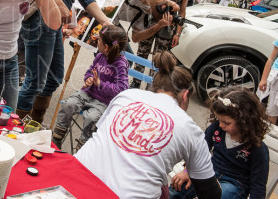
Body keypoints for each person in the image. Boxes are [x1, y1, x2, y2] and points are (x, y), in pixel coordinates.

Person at [75, 51, 222, 199]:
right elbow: (211, 193)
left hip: (75, 178)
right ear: (185, 95)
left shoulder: (127, 95)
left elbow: (105, 138)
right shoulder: (190, 128)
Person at [170, 87, 269, 199]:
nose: (221, 125)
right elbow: (200, 151)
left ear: (244, 121)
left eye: (226, 123)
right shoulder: (217, 128)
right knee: (176, 189)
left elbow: (258, 187)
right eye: (219, 120)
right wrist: (187, 170)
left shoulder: (257, 148)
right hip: (208, 173)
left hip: (234, 184)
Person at [52, 25, 129, 150]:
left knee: (91, 118)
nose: (96, 42)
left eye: (99, 40)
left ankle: (81, 150)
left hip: (103, 101)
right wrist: (88, 79)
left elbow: (121, 89)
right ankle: (56, 138)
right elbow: (89, 72)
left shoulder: (121, 64)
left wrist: (100, 84)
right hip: (87, 93)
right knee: (69, 104)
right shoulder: (99, 56)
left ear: (106, 47)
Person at [114, 0, 180, 88]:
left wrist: (159, 25)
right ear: (161, 6)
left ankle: (113, 86)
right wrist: (169, 2)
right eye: (162, 14)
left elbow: (135, 38)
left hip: (112, 21)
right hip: (102, 10)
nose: (160, 18)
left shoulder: (144, 16)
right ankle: (107, 85)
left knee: (127, 59)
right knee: (107, 55)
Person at [258, 39, 278, 124]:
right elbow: (271, 59)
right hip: (275, 77)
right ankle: (269, 133)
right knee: (271, 110)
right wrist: (263, 79)